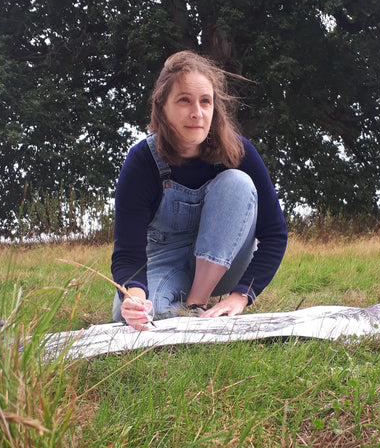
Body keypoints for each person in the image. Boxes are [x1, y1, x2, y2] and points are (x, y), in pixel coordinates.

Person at [111, 50, 287, 330]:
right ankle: (178, 310)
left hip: (225, 264)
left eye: (206, 102)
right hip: (164, 259)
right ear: (162, 107)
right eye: (184, 100)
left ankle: (197, 302)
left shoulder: (239, 152)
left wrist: (240, 296)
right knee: (141, 320)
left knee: (237, 182)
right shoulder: (141, 161)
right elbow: (128, 252)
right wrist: (134, 297)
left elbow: (275, 234)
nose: (197, 113)